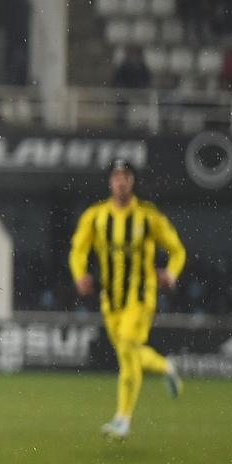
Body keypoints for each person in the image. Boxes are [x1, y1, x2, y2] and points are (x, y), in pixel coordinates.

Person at [69, 161, 187, 440]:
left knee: (126, 348)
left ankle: (123, 418)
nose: (121, 181)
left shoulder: (148, 216)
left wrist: (171, 273)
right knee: (129, 352)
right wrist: (80, 274)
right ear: (110, 182)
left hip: (140, 298)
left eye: (126, 176)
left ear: (132, 182)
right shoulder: (95, 216)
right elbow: (78, 249)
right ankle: (166, 367)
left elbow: (177, 249)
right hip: (110, 301)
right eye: (117, 176)